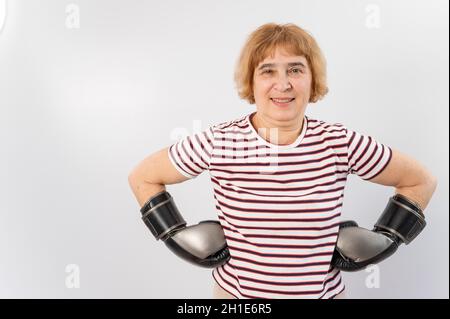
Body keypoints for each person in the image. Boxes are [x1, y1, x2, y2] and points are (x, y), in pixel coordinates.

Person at [128, 23, 437, 299]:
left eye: (295, 69)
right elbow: (143, 176)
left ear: (312, 77)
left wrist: (388, 238)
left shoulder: (340, 142)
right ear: (251, 81)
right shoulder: (219, 141)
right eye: (268, 71)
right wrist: (174, 235)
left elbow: (420, 180)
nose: (283, 83)